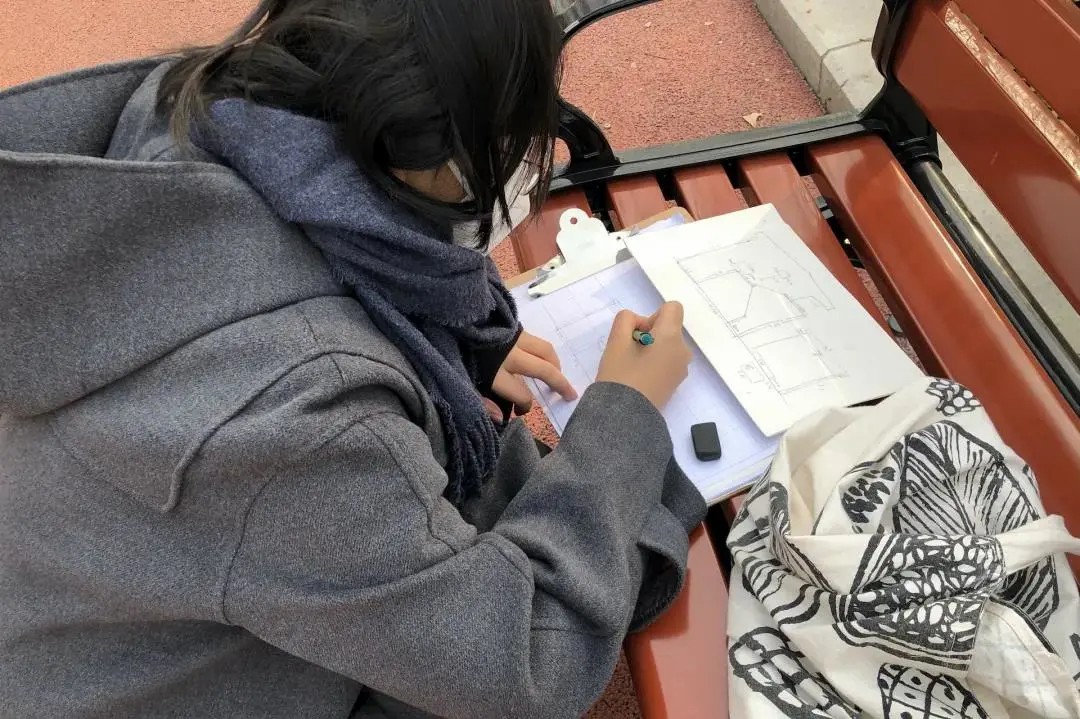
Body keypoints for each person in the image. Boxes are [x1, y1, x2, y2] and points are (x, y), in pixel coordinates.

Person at [0, 0, 706, 717]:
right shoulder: (300, 414)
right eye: (518, 131)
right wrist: (626, 413)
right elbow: (523, 665)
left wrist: (442, 340)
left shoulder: (209, 112)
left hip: (86, 626)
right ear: (429, 153)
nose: (529, 157)